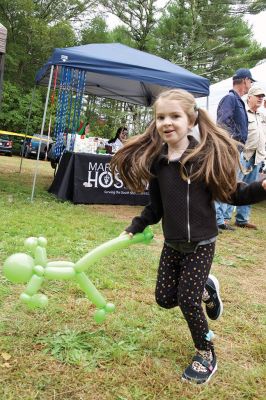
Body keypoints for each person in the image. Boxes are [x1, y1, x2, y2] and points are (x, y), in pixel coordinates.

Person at [110, 89, 266, 384]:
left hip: (201, 244)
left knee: (187, 300)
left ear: (191, 119)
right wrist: (136, 226)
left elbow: (234, 194)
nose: (166, 122)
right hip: (172, 243)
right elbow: (155, 207)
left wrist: (261, 187)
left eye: (174, 116)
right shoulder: (159, 164)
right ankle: (208, 288)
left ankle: (206, 352)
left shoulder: (204, 157)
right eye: (160, 117)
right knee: (164, 298)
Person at [215, 68, 255, 231]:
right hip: (230, 148)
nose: (251, 85)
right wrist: (231, 144)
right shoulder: (230, 98)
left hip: (236, 148)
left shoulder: (238, 100)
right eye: (251, 81)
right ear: (245, 80)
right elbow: (222, 124)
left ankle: (221, 220)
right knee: (222, 183)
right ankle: (216, 220)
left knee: (229, 184)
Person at [231, 86, 266, 228]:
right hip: (243, 154)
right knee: (233, 186)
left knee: (252, 188)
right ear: (249, 97)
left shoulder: (263, 116)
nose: (260, 98)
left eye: (262, 96)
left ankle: (242, 220)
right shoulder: (243, 113)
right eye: (257, 95)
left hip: (257, 157)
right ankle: (223, 219)